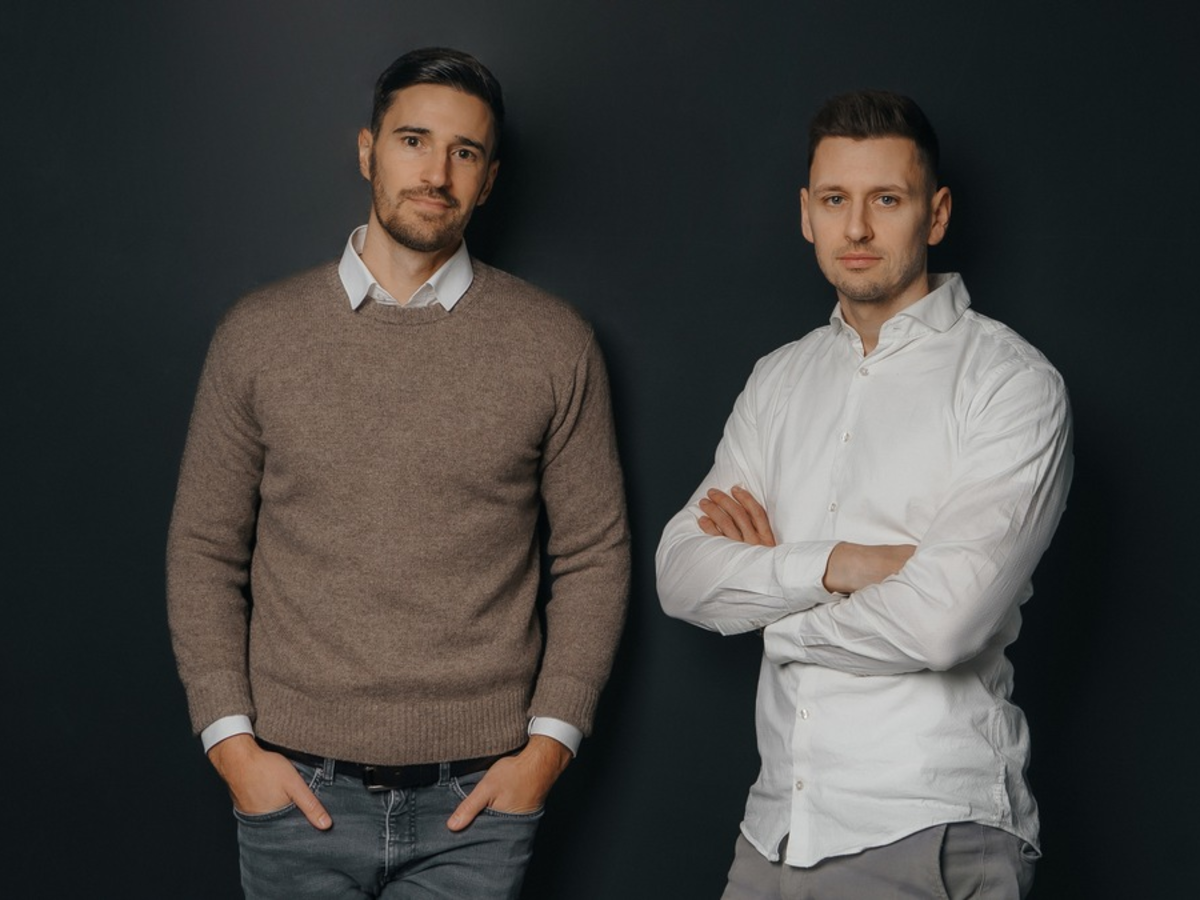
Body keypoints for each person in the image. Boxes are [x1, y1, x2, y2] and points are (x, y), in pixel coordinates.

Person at [167, 47, 629, 900]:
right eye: (413, 140)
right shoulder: (258, 335)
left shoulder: (554, 343)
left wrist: (548, 749)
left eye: (465, 152)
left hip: (478, 804)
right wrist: (231, 746)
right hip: (293, 793)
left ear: (489, 180)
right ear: (367, 151)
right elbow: (203, 548)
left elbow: (594, 554)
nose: (436, 173)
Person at [656, 90, 1072, 899]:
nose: (856, 228)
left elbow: (943, 623)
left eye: (886, 200)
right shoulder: (778, 380)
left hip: (927, 825)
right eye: (834, 200)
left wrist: (774, 616)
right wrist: (842, 564)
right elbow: (680, 573)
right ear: (805, 215)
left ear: (935, 214)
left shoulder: (1010, 384)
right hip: (772, 833)